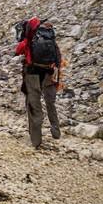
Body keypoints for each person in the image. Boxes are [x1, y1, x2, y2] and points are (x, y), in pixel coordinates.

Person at [14, 16, 62, 149]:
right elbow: (58, 57)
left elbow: (18, 50)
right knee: (50, 103)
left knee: (34, 105)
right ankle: (55, 129)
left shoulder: (29, 39)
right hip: (50, 73)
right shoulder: (50, 39)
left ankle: (36, 141)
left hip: (33, 74)